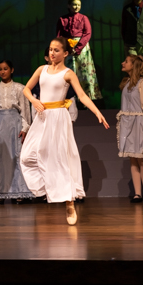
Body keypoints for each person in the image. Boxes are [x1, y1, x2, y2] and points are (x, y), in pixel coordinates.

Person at [21, 37, 109, 225]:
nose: (52, 53)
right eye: (51, 49)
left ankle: (69, 202)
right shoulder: (41, 70)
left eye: (57, 50)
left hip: (59, 118)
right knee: (27, 156)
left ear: (65, 53)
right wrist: (34, 101)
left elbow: (82, 95)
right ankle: (49, 187)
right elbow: (26, 89)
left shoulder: (68, 74)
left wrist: (97, 112)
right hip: (42, 116)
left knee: (60, 159)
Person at [0, 60, 34, 204]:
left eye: (5, 69)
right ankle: (1, 192)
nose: (2, 72)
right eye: (0, 69)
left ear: (11, 70)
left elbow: (25, 109)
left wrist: (25, 128)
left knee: (17, 156)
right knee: (0, 158)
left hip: (15, 123)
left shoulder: (20, 88)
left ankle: (19, 191)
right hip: (0, 124)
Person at [117, 55, 143, 203]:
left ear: (134, 65)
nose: (123, 63)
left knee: (142, 159)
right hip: (128, 124)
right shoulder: (127, 83)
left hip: (139, 123)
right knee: (133, 159)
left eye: (126, 61)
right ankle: (137, 193)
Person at [56, 0, 102, 100]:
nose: (77, 7)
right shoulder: (62, 19)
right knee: (69, 71)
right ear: (69, 5)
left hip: (82, 48)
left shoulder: (83, 18)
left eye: (79, 5)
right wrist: (67, 47)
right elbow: (59, 36)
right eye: (74, 4)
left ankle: (86, 98)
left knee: (84, 72)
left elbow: (87, 34)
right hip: (67, 48)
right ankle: (69, 96)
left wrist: (77, 48)